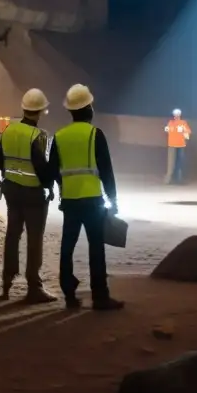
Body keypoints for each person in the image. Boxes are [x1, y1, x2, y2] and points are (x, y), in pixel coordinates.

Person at [49, 84, 124, 311]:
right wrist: (113, 199)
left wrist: (64, 186)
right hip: (93, 201)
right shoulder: (95, 134)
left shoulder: (60, 136)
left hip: (70, 202)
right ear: (88, 108)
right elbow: (106, 171)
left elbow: (54, 170)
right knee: (96, 248)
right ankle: (100, 297)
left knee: (67, 248)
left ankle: (69, 295)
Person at [0, 88, 57, 303]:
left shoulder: (9, 130)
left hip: (12, 192)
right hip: (33, 195)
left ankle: (6, 282)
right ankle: (33, 287)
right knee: (34, 239)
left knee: (12, 236)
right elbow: (42, 170)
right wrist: (52, 179)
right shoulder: (37, 136)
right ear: (39, 112)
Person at [163, 108, 190, 184]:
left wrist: (184, 131)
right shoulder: (170, 123)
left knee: (180, 162)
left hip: (181, 145)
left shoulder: (183, 123)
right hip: (172, 145)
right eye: (175, 115)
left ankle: (179, 179)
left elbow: (187, 134)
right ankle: (168, 180)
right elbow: (167, 131)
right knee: (171, 163)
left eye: (177, 115)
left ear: (180, 115)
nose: (176, 116)